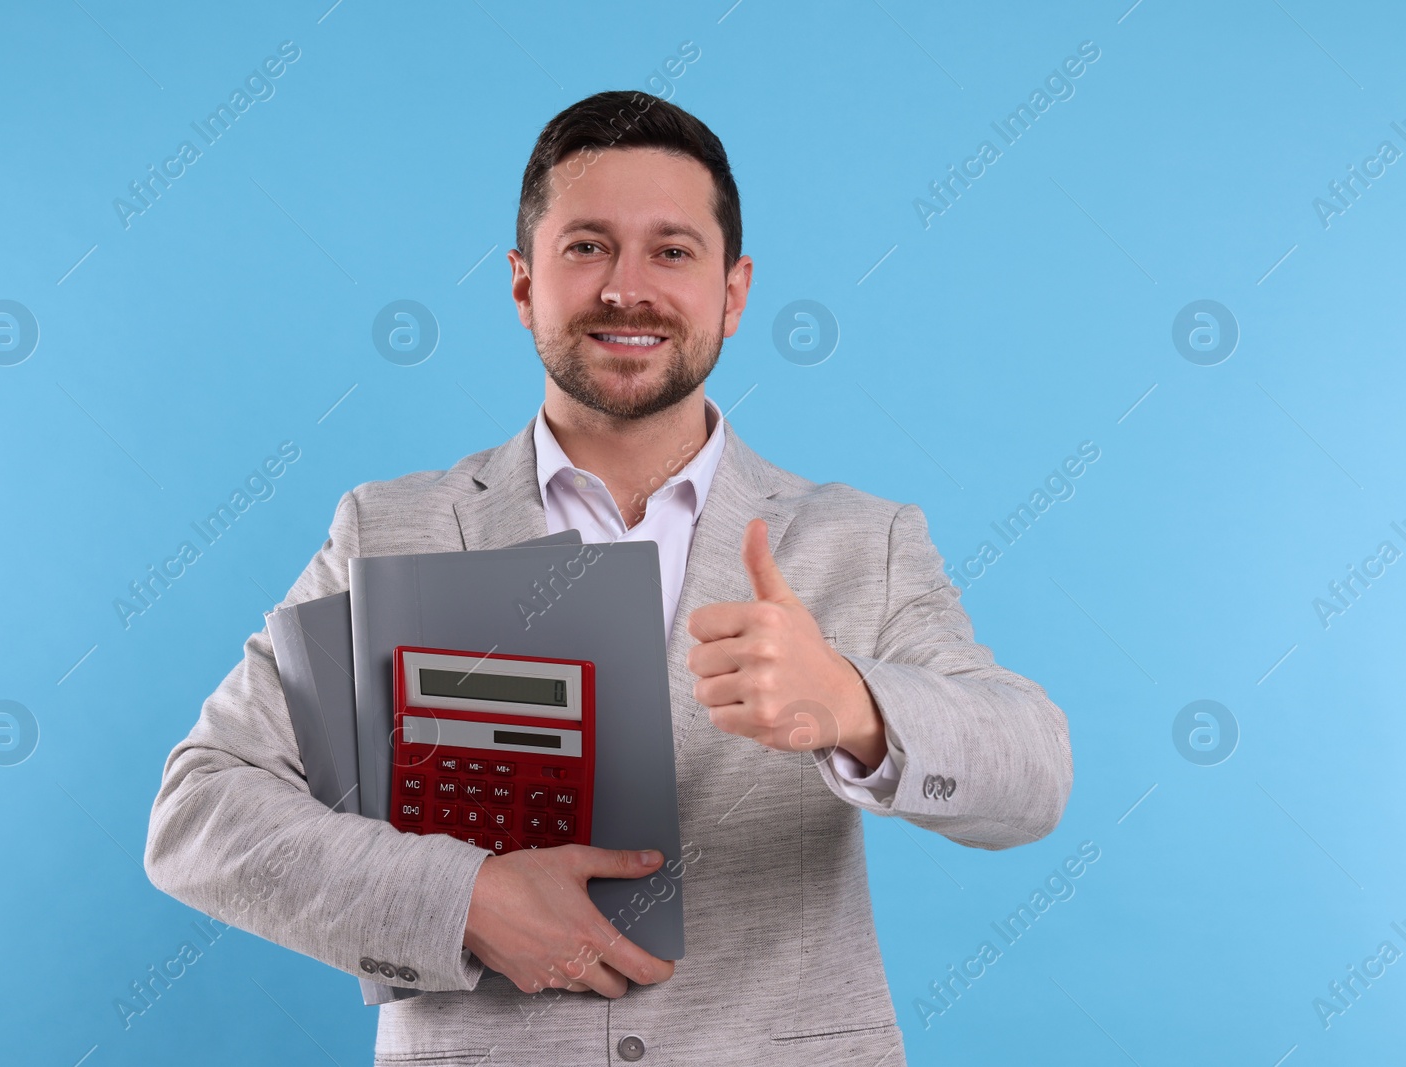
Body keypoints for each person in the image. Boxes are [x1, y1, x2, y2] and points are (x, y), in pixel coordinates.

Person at [144, 90, 1072, 1066]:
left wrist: (855, 703)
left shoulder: (858, 538)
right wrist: (461, 898)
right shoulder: (390, 527)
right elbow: (201, 808)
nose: (626, 288)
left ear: (733, 291)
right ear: (520, 283)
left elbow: (1033, 773)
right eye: (585, 246)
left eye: (671, 250)